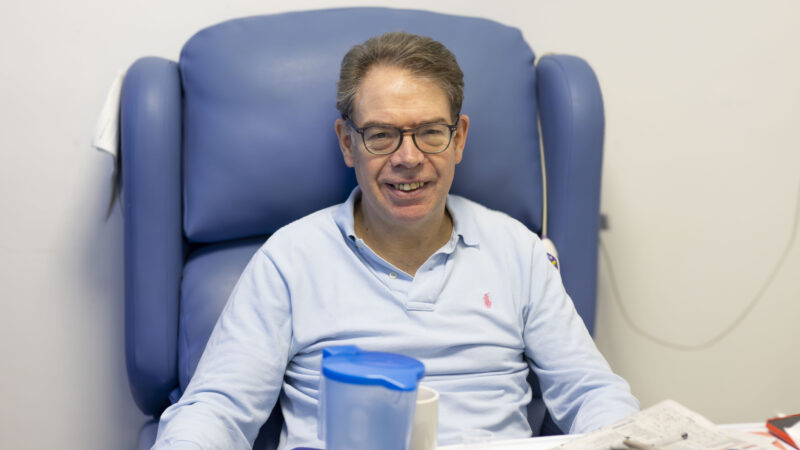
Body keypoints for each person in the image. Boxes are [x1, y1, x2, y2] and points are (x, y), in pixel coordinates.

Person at [153, 31, 639, 450]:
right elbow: (218, 407)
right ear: (348, 143)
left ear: (459, 138)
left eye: (430, 132)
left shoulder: (519, 252)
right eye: (382, 135)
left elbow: (590, 391)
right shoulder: (290, 258)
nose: (408, 158)